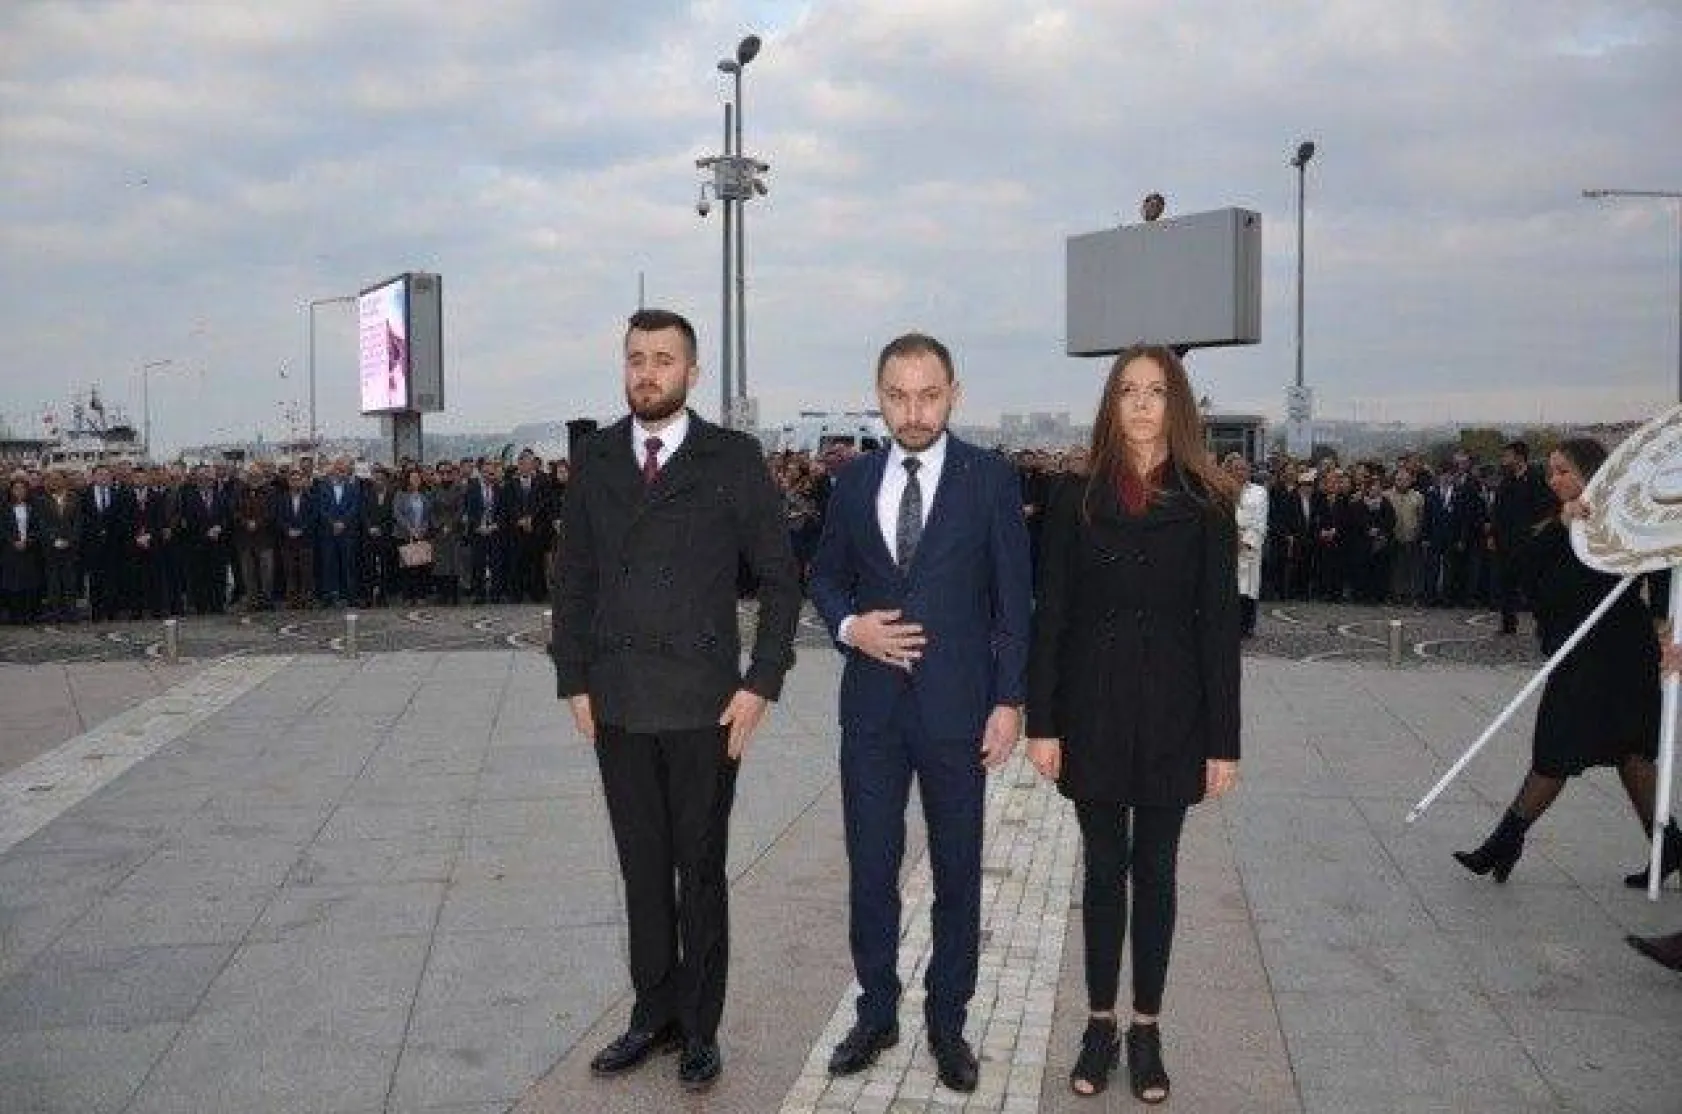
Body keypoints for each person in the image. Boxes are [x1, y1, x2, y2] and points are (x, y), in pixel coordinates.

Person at [551, 308, 800, 1093]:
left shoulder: (731, 457)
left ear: (692, 373)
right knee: (640, 867)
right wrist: (573, 678)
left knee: (699, 869)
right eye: (636, 359)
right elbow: (573, 577)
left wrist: (762, 682)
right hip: (619, 699)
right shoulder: (595, 457)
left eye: (663, 360)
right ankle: (651, 1014)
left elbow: (781, 578)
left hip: (704, 704)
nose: (647, 373)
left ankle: (699, 1027)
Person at [807, 332, 1032, 1095]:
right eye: (899, 397)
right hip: (871, 714)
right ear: (879, 396)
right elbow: (824, 576)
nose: (914, 411)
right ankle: (876, 1013)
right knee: (871, 869)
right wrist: (851, 628)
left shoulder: (990, 480)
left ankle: (947, 1020)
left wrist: (1009, 700)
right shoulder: (851, 481)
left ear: (953, 395)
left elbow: (1014, 601)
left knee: (957, 871)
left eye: (929, 395)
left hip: (958, 711)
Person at [1023, 344, 1240, 1103]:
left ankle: (1147, 1028)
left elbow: (1219, 628)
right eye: (1128, 390)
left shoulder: (1208, 502)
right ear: (1110, 405)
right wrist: (1043, 723)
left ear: (1176, 405)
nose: (1142, 404)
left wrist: (1224, 742)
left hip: (1177, 715)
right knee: (1102, 871)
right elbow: (1051, 614)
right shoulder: (1074, 496)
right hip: (1093, 709)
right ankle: (1099, 1024)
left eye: (1156, 391)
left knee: (1157, 873)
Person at [1454, 438, 1680, 888]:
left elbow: (1661, 566)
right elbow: (1518, 565)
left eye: (1564, 471)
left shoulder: (1619, 519)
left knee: (1566, 747)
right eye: (1551, 471)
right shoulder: (1554, 518)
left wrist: (1664, 624)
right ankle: (1670, 846)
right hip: (1576, 648)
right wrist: (1562, 523)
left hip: (1615, 651)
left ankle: (1503, 843)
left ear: (1591, 473)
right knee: (1625, 751)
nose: (1554, 479)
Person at [1224, 453, 1267, 637]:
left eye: (1244, 468)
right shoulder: (1222, 489)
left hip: (1249, 544)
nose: (1240, 472)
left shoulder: (1259, 492)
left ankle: (1247, 625)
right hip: (1226, 542)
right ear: (1229, 470)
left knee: (1248, 586)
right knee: (1230, 585)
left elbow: (1260, 520)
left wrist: (1246, 541)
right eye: (1236, 468)